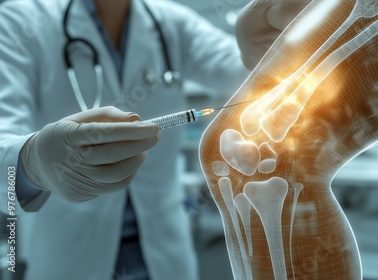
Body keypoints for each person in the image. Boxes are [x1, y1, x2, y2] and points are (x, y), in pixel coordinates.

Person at [0, 0, 309, 279]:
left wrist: (273, 55)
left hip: (164, 254)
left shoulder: (171, 22)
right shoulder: (20, 21)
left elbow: (244, 74)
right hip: (68, 253)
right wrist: (31, 161)